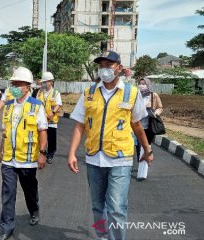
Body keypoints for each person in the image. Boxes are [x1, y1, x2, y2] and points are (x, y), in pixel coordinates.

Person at [67, 50, 154, 240]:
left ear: (119, 68)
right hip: (93, 158)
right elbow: (80, 124)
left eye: (109, 65)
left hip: (120, 159)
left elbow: (137, 125)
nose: (104, 69)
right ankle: (102, 236)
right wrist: (72, 153)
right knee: (97, 206)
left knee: (116, 208)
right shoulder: (89, 93)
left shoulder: (131, 93)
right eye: (101, 65)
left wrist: (147, 150)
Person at [0, 67, 48, 240]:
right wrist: (1, 150)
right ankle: (7, 228)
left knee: (29, 190)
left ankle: (33, 210)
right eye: (13, 84)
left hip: (27, 159)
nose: (15, 87)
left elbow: (42, 131)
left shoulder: (36, 106)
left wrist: (42, 153)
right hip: (9, 160)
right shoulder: (9, 106)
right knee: (7, 194)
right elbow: (6, 131)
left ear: (28, 86)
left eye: (19, 84)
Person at [136, 77, 163, 180]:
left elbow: (160, 107)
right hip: (137, 125)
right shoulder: (136, 95)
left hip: (149, 125)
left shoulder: (153, 95)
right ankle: (141, 162)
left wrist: (155, 113)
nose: (142, 85)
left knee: (147, 145)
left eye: (144, 83)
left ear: (148, 85)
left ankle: (144, 166)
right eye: (140, 83)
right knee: (138, 146)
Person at [36, 72, 62, 164]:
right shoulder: (39, 92)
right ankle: (42, 153)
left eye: (46, 82)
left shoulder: (56, 93)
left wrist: (53, 112)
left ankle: (50, 154)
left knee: (51, 139)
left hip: (51, 120)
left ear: (51, 82)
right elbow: (36, 104)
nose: (44, 84)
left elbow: (58, 104)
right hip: (41, 120)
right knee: (41, 138)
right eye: (43, 82)